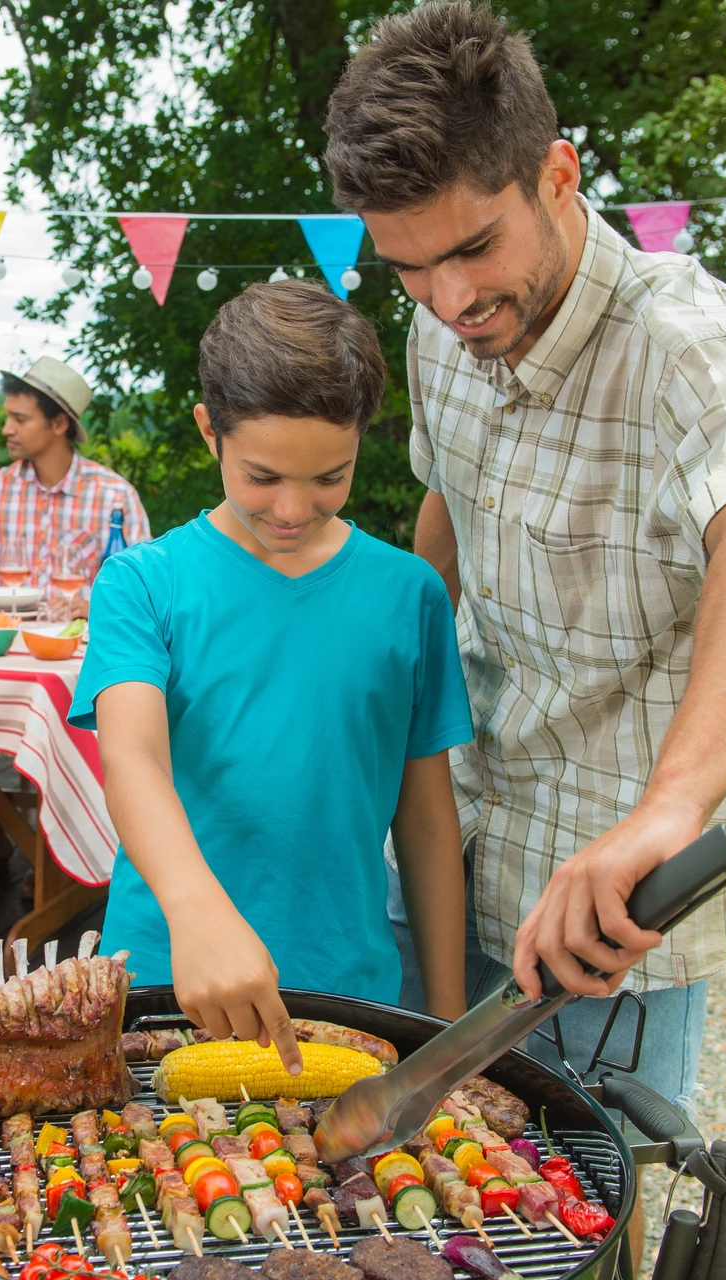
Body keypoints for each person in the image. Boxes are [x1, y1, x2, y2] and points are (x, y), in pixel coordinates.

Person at [323, 1, 726, 1115]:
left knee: (582, 1217)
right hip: (447, 841)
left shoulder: (687, 343)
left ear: (556, 174)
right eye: (410, 268)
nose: (451, 299)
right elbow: (446, 507)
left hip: (606, 909)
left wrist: (668, 812)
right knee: (403, 1185)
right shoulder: (438, 330)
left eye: (473, 247)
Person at [69, 281, 475, 1070]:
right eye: (262, 477)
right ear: (208, 433)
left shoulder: (409, 594)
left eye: (330, 477)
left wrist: (449, 1027)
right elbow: (133, 757)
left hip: (348, 993)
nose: (293, 507)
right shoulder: (144, 582)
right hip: (162, 980)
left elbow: (425, 819)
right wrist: (197, 911)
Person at [0, 357, 151, 896]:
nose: (6, 428)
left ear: (59, 423)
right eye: (8, 417)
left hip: (77, 663)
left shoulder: (114, 497)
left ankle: (56, 859)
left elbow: (138, 600)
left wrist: (86, 607)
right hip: (3, 655)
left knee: (66, 717)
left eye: (19, 418)